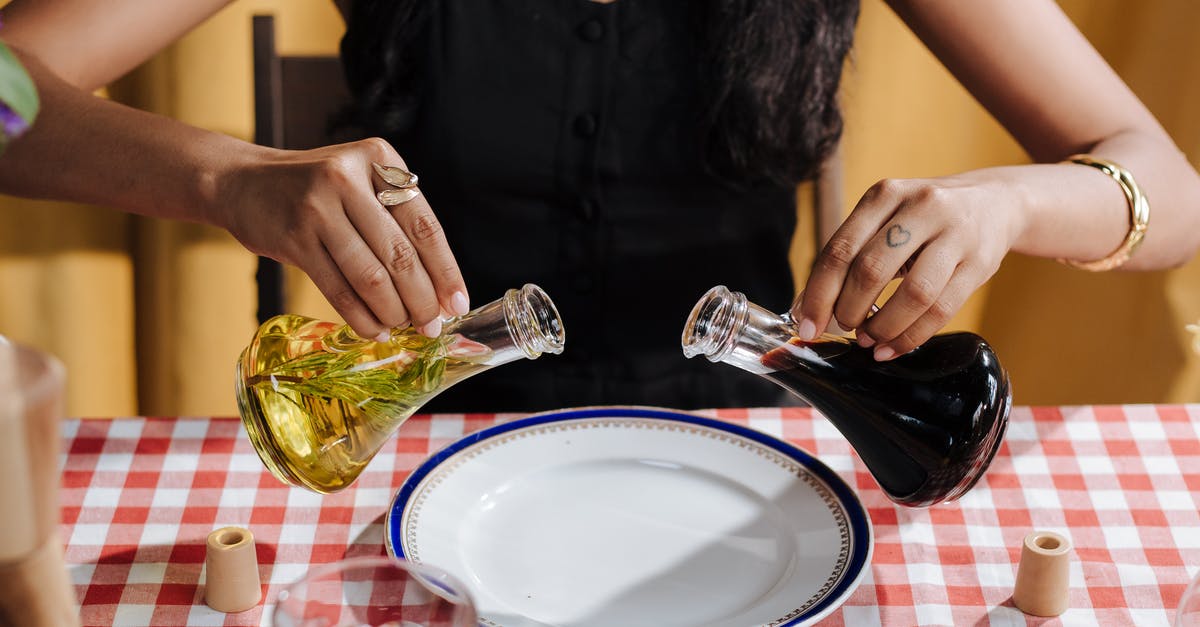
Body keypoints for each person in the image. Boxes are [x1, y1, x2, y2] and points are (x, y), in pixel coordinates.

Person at [0, 1, 1197, 412]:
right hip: (429, 444)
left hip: (748, 452)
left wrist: (1012, 205)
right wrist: (226, 175)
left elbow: (1172, 193)